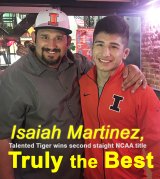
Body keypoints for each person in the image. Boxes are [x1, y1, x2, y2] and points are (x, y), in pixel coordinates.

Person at [0, 9, 146, 179]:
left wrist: (130, 68)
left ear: (67, 41)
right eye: (45, 37)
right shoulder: (14, 78)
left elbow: (108, 70)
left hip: (82, 171)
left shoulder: (78, 64)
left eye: (59, 38)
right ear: (34, 39)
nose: (52, 45)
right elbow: (3, 139)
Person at [79, 15, 160, 179]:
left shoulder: (140, 90)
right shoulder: (82, 83)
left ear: (125, 53)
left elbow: (157, 146)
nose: (105, 53)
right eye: (100, 44)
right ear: (92, 47)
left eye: (114, 46)